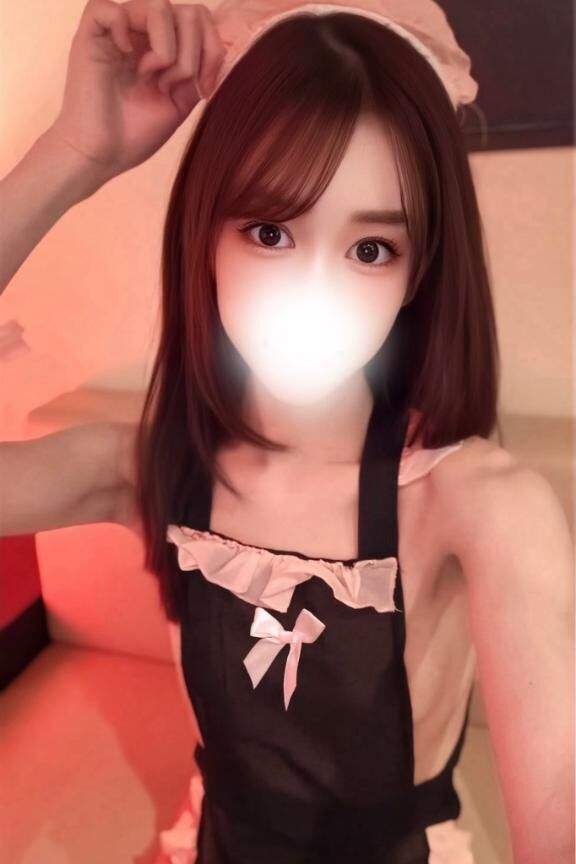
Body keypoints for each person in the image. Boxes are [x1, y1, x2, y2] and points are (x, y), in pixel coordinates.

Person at [0, 1, 572, 863]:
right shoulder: (148, 466)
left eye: (370, 249)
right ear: (206, 235)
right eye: (270, 231)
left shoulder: (482, 507)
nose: (314, 292)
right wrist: (72, 156)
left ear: (419, 273)